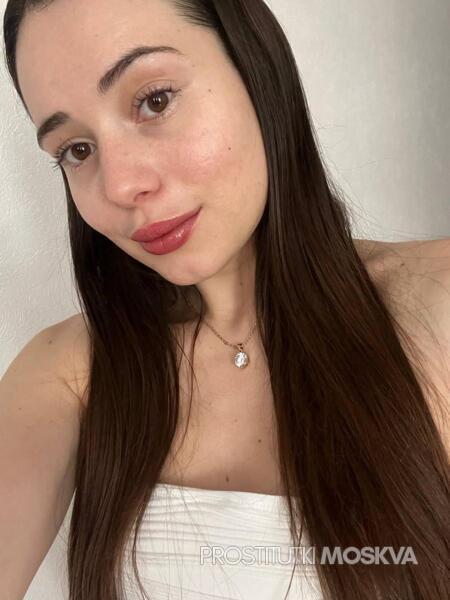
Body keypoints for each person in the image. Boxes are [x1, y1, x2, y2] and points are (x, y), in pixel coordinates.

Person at [1, 1, 448, 599]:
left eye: (154, 99)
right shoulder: (70, 372)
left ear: (256, 67)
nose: (121, 185)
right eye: (77, 150)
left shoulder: (436, 300)